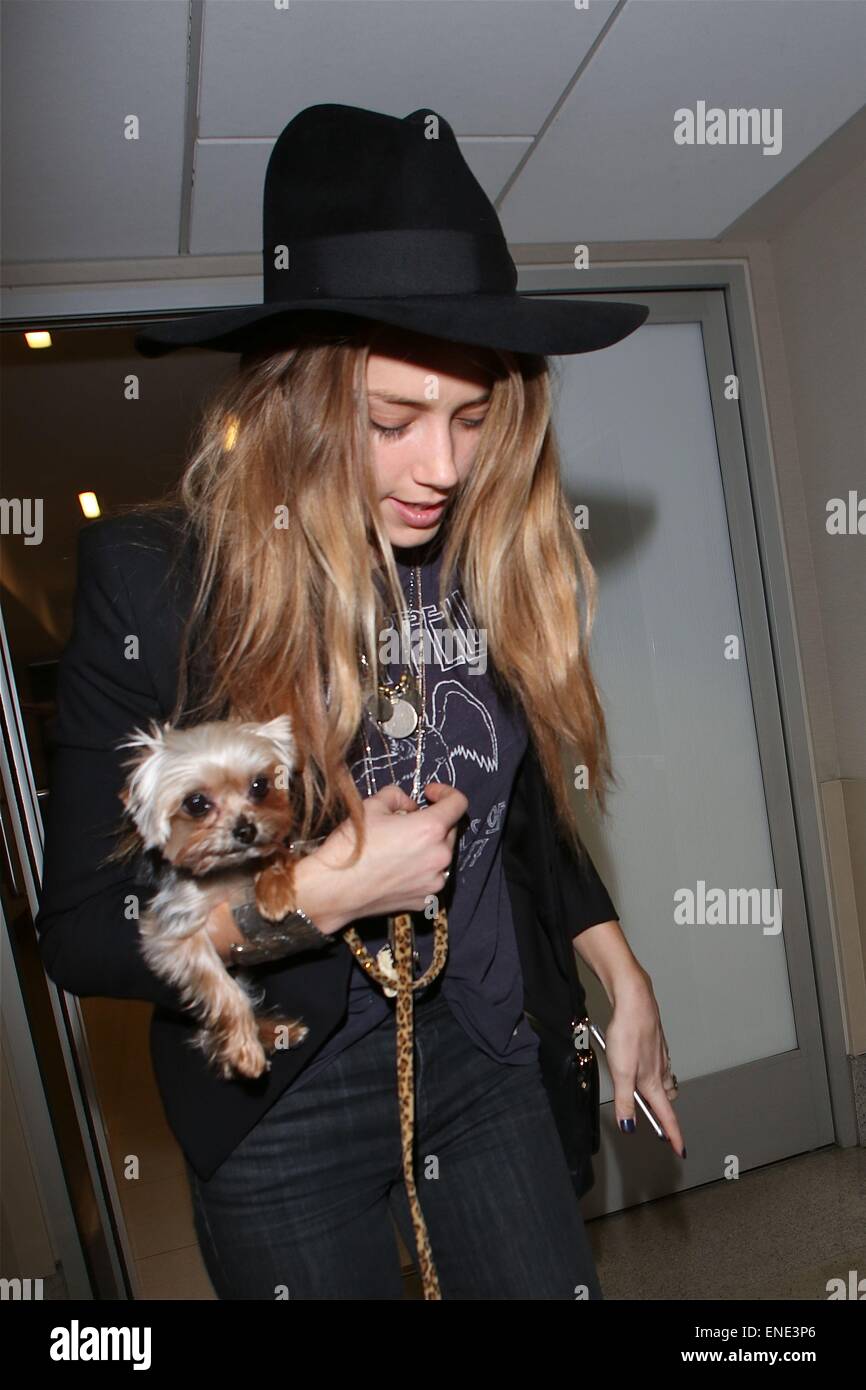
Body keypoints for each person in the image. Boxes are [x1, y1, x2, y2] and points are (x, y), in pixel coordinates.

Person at [35, 103, 685, 1301]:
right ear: (297, 400)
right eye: (393, 421)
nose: (440, 466)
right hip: (279, 1086)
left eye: (472, 419)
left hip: (485, 1046)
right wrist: (323, 892)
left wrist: (622, 974)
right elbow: (79, 928)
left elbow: (519, 810)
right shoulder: (158, 580)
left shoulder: (476, 563)